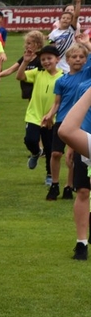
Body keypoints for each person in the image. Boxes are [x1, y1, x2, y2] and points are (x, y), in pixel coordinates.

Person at [44, 38, 91, 201]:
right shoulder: (61, 80)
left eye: (81, 57)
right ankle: (54, 183)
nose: (78, 59)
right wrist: (50, 114)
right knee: (56, 153)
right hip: (62, 120)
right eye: (74, 56)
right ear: (67, 60)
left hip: (79, 123)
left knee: (72, 157)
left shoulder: (86, 74)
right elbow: (57, 102)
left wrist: (86, 44)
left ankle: (68, 186)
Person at [57, 72, 91, 260]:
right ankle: (81, 242)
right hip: (84, 141)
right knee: (83, 190)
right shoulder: (83, 86)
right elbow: (69, 130)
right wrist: (72, 146)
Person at [16, 45, 63, 180]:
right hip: (34, 115)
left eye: (49, 58)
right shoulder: (37, 72)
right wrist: (25, 62)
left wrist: (51, 115)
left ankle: (49, 175)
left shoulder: (63, 77)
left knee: (49, 147)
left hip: (51, 118)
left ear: (57, 59)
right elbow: (19, 76)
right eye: (43, 59)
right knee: (30, 140)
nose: (46, 61)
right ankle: (36, 153)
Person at [49, 0, 83, 73]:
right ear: (60, 20)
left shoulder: (71, 30)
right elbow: (52, 47)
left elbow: (76, 16)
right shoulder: (53, 33)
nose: (65, 19)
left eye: (68, 18)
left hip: (69, 60)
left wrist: (78, 2)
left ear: (71, 21)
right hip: (58, 61)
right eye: (63, 18)